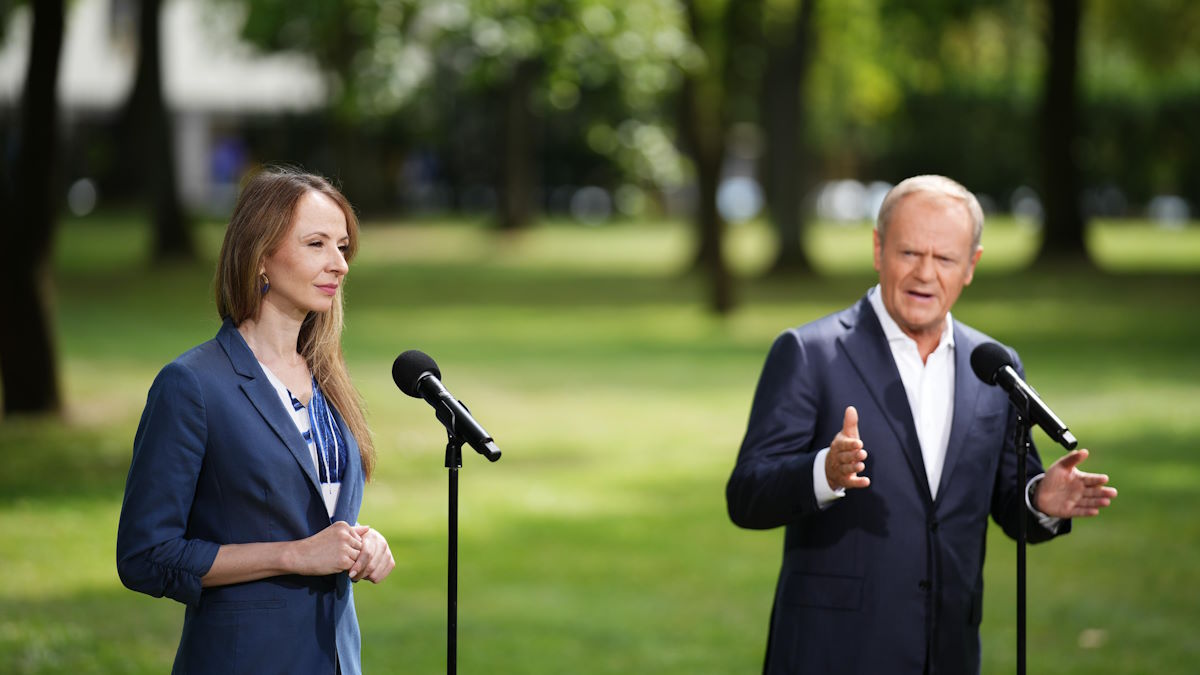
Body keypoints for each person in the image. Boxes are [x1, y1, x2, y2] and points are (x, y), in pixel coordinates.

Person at [725, 175, 1117, 674]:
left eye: (945, 258)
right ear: (877, 249)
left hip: (947, 651)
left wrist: (1039, 500)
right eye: (909, 253)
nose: (925, 274)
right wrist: (825, 471)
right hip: (833, 653)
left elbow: (1006, 498)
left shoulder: (994, 366)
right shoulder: (809, 354)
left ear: (971, 266)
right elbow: (746, 495)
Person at [117, 168, 395, 674]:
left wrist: (361, 543)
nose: (340, 265)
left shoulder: (329, 380)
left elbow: (315, 513)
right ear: (261, 256)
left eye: (343, 247)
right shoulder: (192, 385)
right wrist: (293, 555)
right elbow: (146, 555)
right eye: (317, 244)